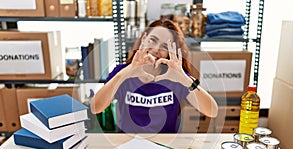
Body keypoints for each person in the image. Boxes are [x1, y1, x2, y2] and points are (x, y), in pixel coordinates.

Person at [90, 18, 218, 133]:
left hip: (165, 147)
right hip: (127, 145)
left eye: (164, 46)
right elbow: (96, 108)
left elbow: (212, 111)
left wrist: (184, 79)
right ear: (144, 38)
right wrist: (125, 73)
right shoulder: (122, 71)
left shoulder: (176, 76)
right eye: (152, 40)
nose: (156, 49)